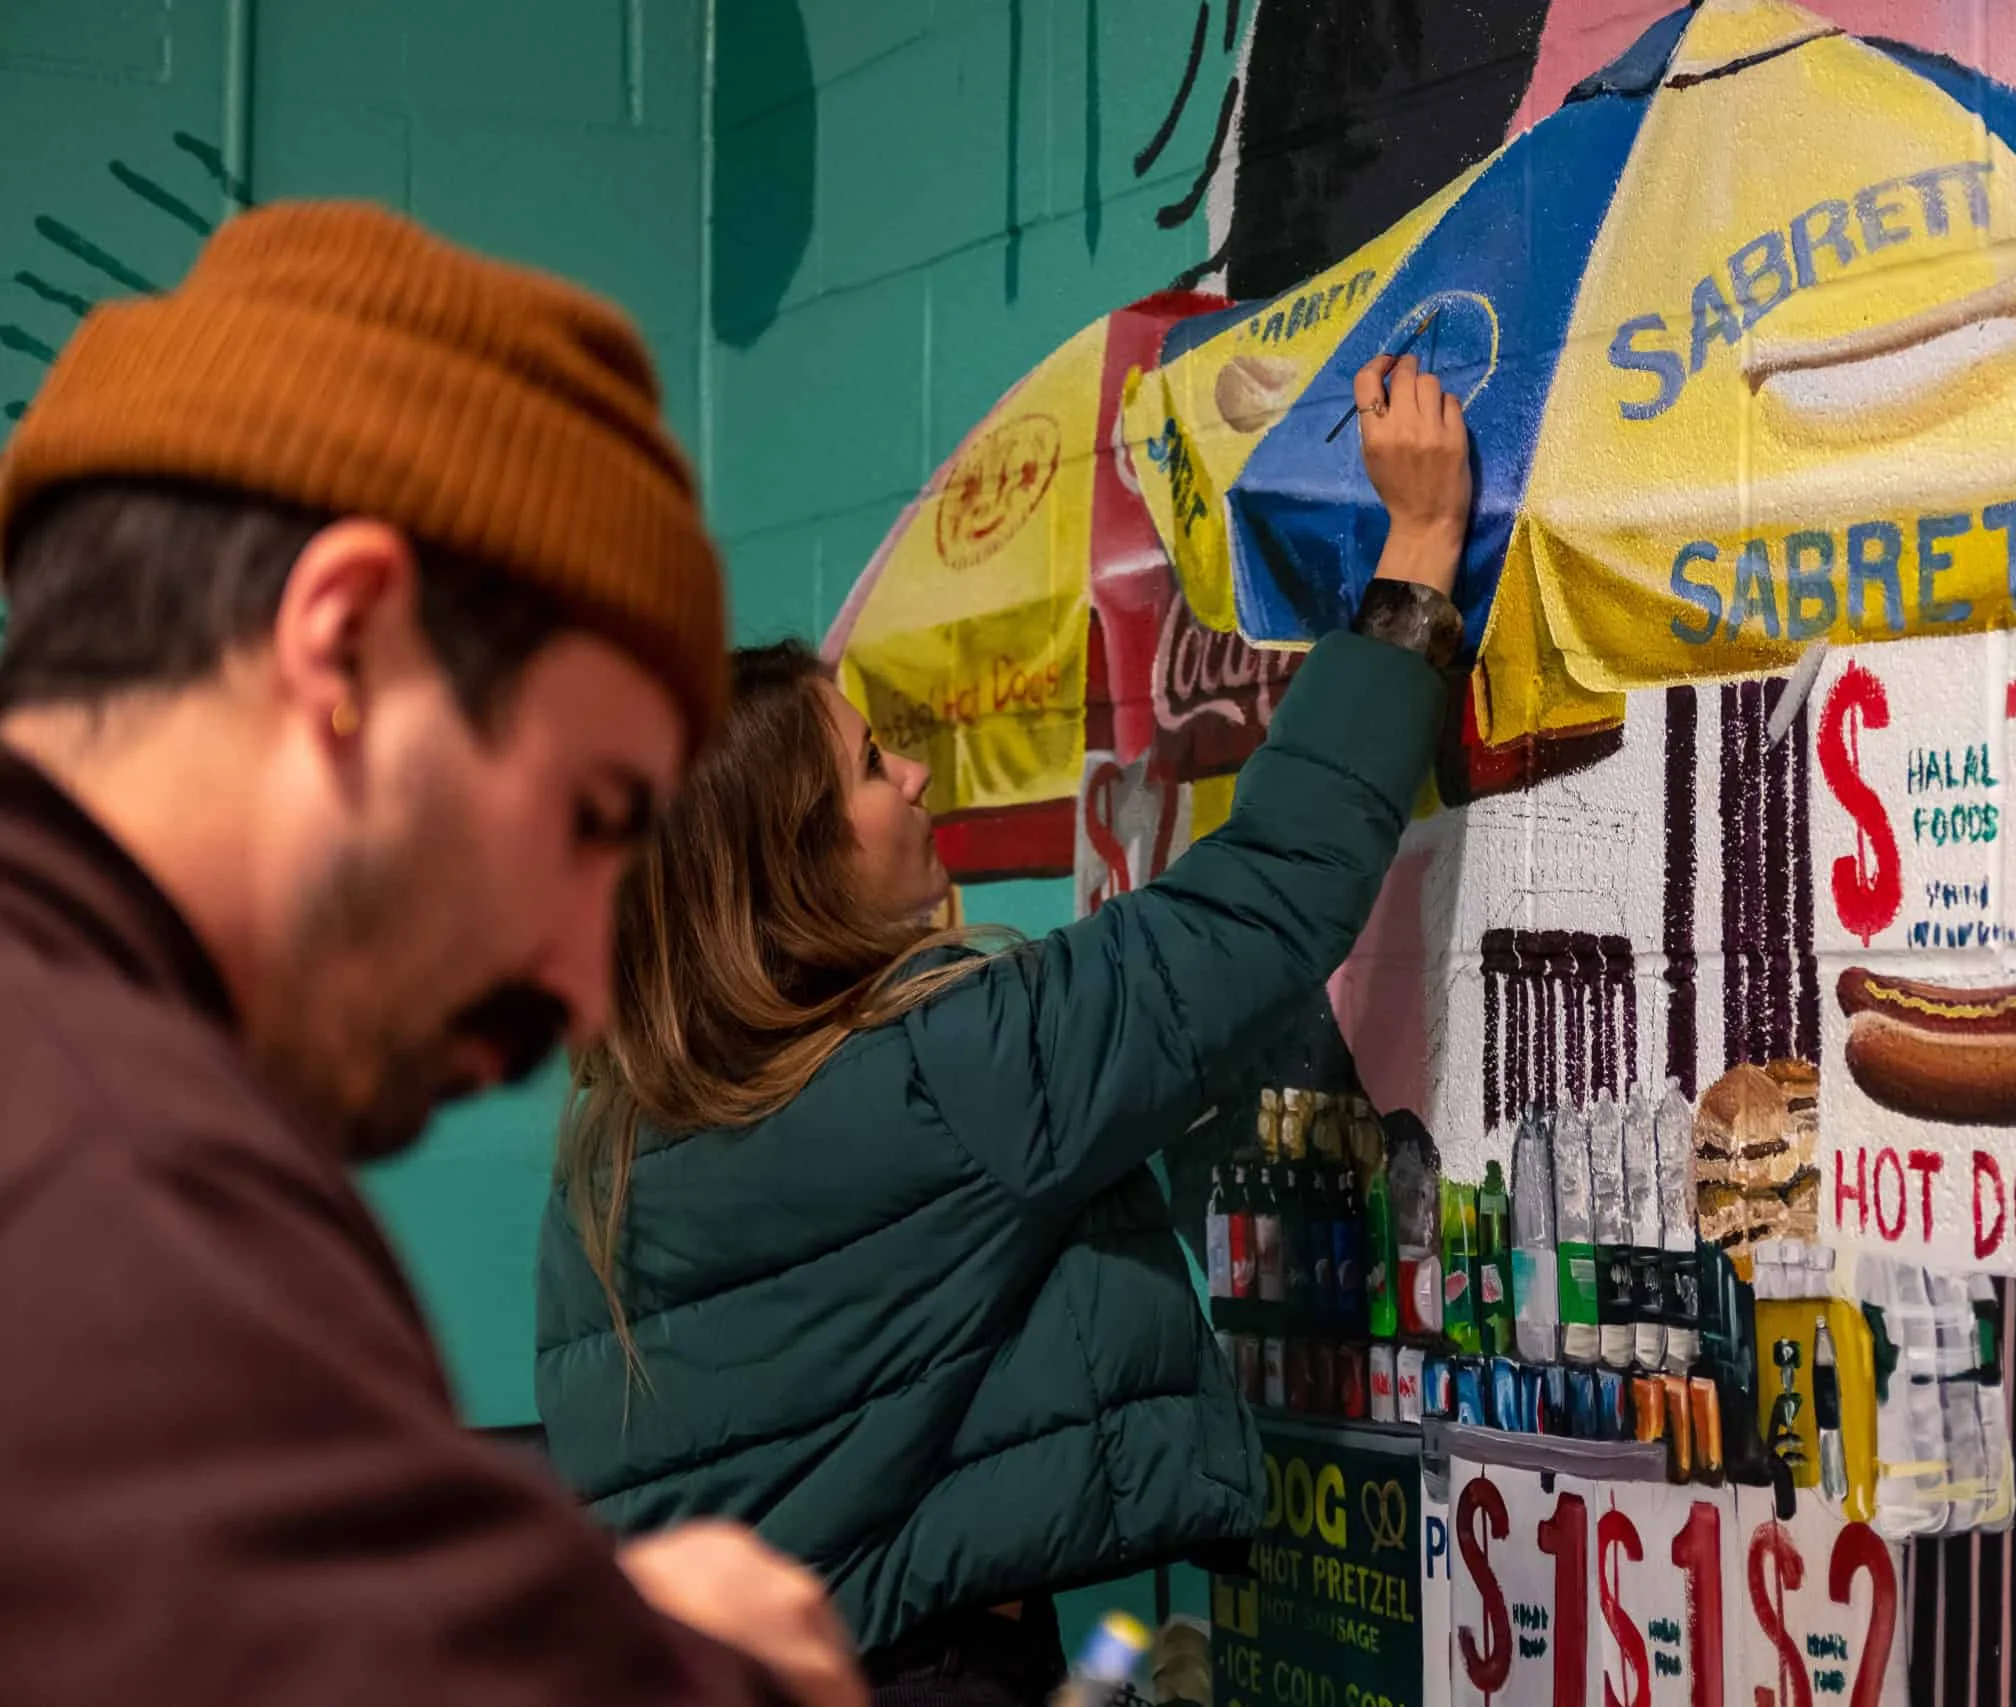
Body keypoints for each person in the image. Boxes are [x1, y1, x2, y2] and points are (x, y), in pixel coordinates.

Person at [0, 201, 869, 1707]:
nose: (585, 983)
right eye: (591, 819)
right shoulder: (104, 1155)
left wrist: (522, 1606)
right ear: (341, 646)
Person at [535, 352, 1473, 1703]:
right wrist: (1421, 553)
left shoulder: (613, 1145)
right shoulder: (939, 1074)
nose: (910, 770)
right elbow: (1266, 897)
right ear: (794, 875)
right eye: (868, 767)